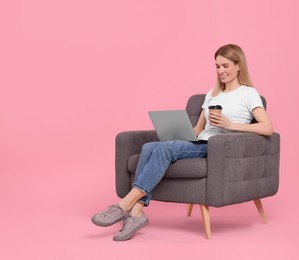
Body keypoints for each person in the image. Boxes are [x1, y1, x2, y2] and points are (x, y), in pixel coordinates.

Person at [91, 44, 273, 241]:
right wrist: (178, 132)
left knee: (167, 149)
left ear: (239, 66)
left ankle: (124, 205)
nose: (221, 71)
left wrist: (231, 125)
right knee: (149, 146)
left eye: (225, 66)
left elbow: (266, 128)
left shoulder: (248, 94)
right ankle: (136, 213)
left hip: (218, 146)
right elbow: (197, 129)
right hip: (200, 141)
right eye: (217, 66)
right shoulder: (212, 94)